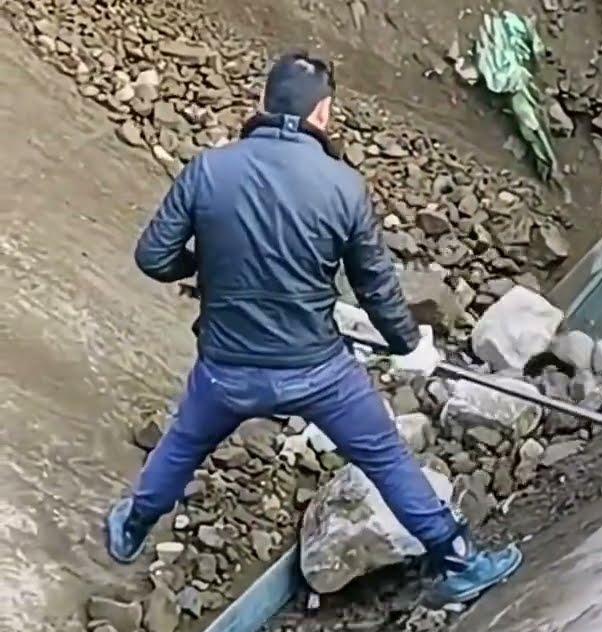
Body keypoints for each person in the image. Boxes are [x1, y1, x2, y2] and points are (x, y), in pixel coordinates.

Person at [105, 51, 522, 604]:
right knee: (385, 457)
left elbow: (153, 257)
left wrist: (205, 267)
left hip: (227, 369)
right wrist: (407, 346)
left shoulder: (209, 170)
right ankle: (459, 560)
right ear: (323, 113)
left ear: (261, 103)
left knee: (183, 444)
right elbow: (376, 286)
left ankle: (132, 528)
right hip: (317, 371)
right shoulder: (343, 187)